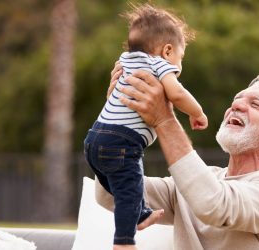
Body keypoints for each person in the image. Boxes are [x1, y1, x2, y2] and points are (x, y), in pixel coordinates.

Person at [95, 70, 259, 250]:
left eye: (256, 104)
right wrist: (117, 119)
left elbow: (213, 204)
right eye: (236, 101)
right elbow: (109, 194)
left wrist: (164, 118)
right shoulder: (200, 182)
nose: (237, 106)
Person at [83, 4, 208, 249]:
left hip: (93, 139)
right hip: (122, 142)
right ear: (168, 50)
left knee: (124, 186)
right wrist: (197, 112)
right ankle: (124, 243)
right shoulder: (159, 64)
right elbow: (177, 93)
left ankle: (140, 212)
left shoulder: (125, 60)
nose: (178, 66)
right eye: (180, 59)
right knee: (129, 189)